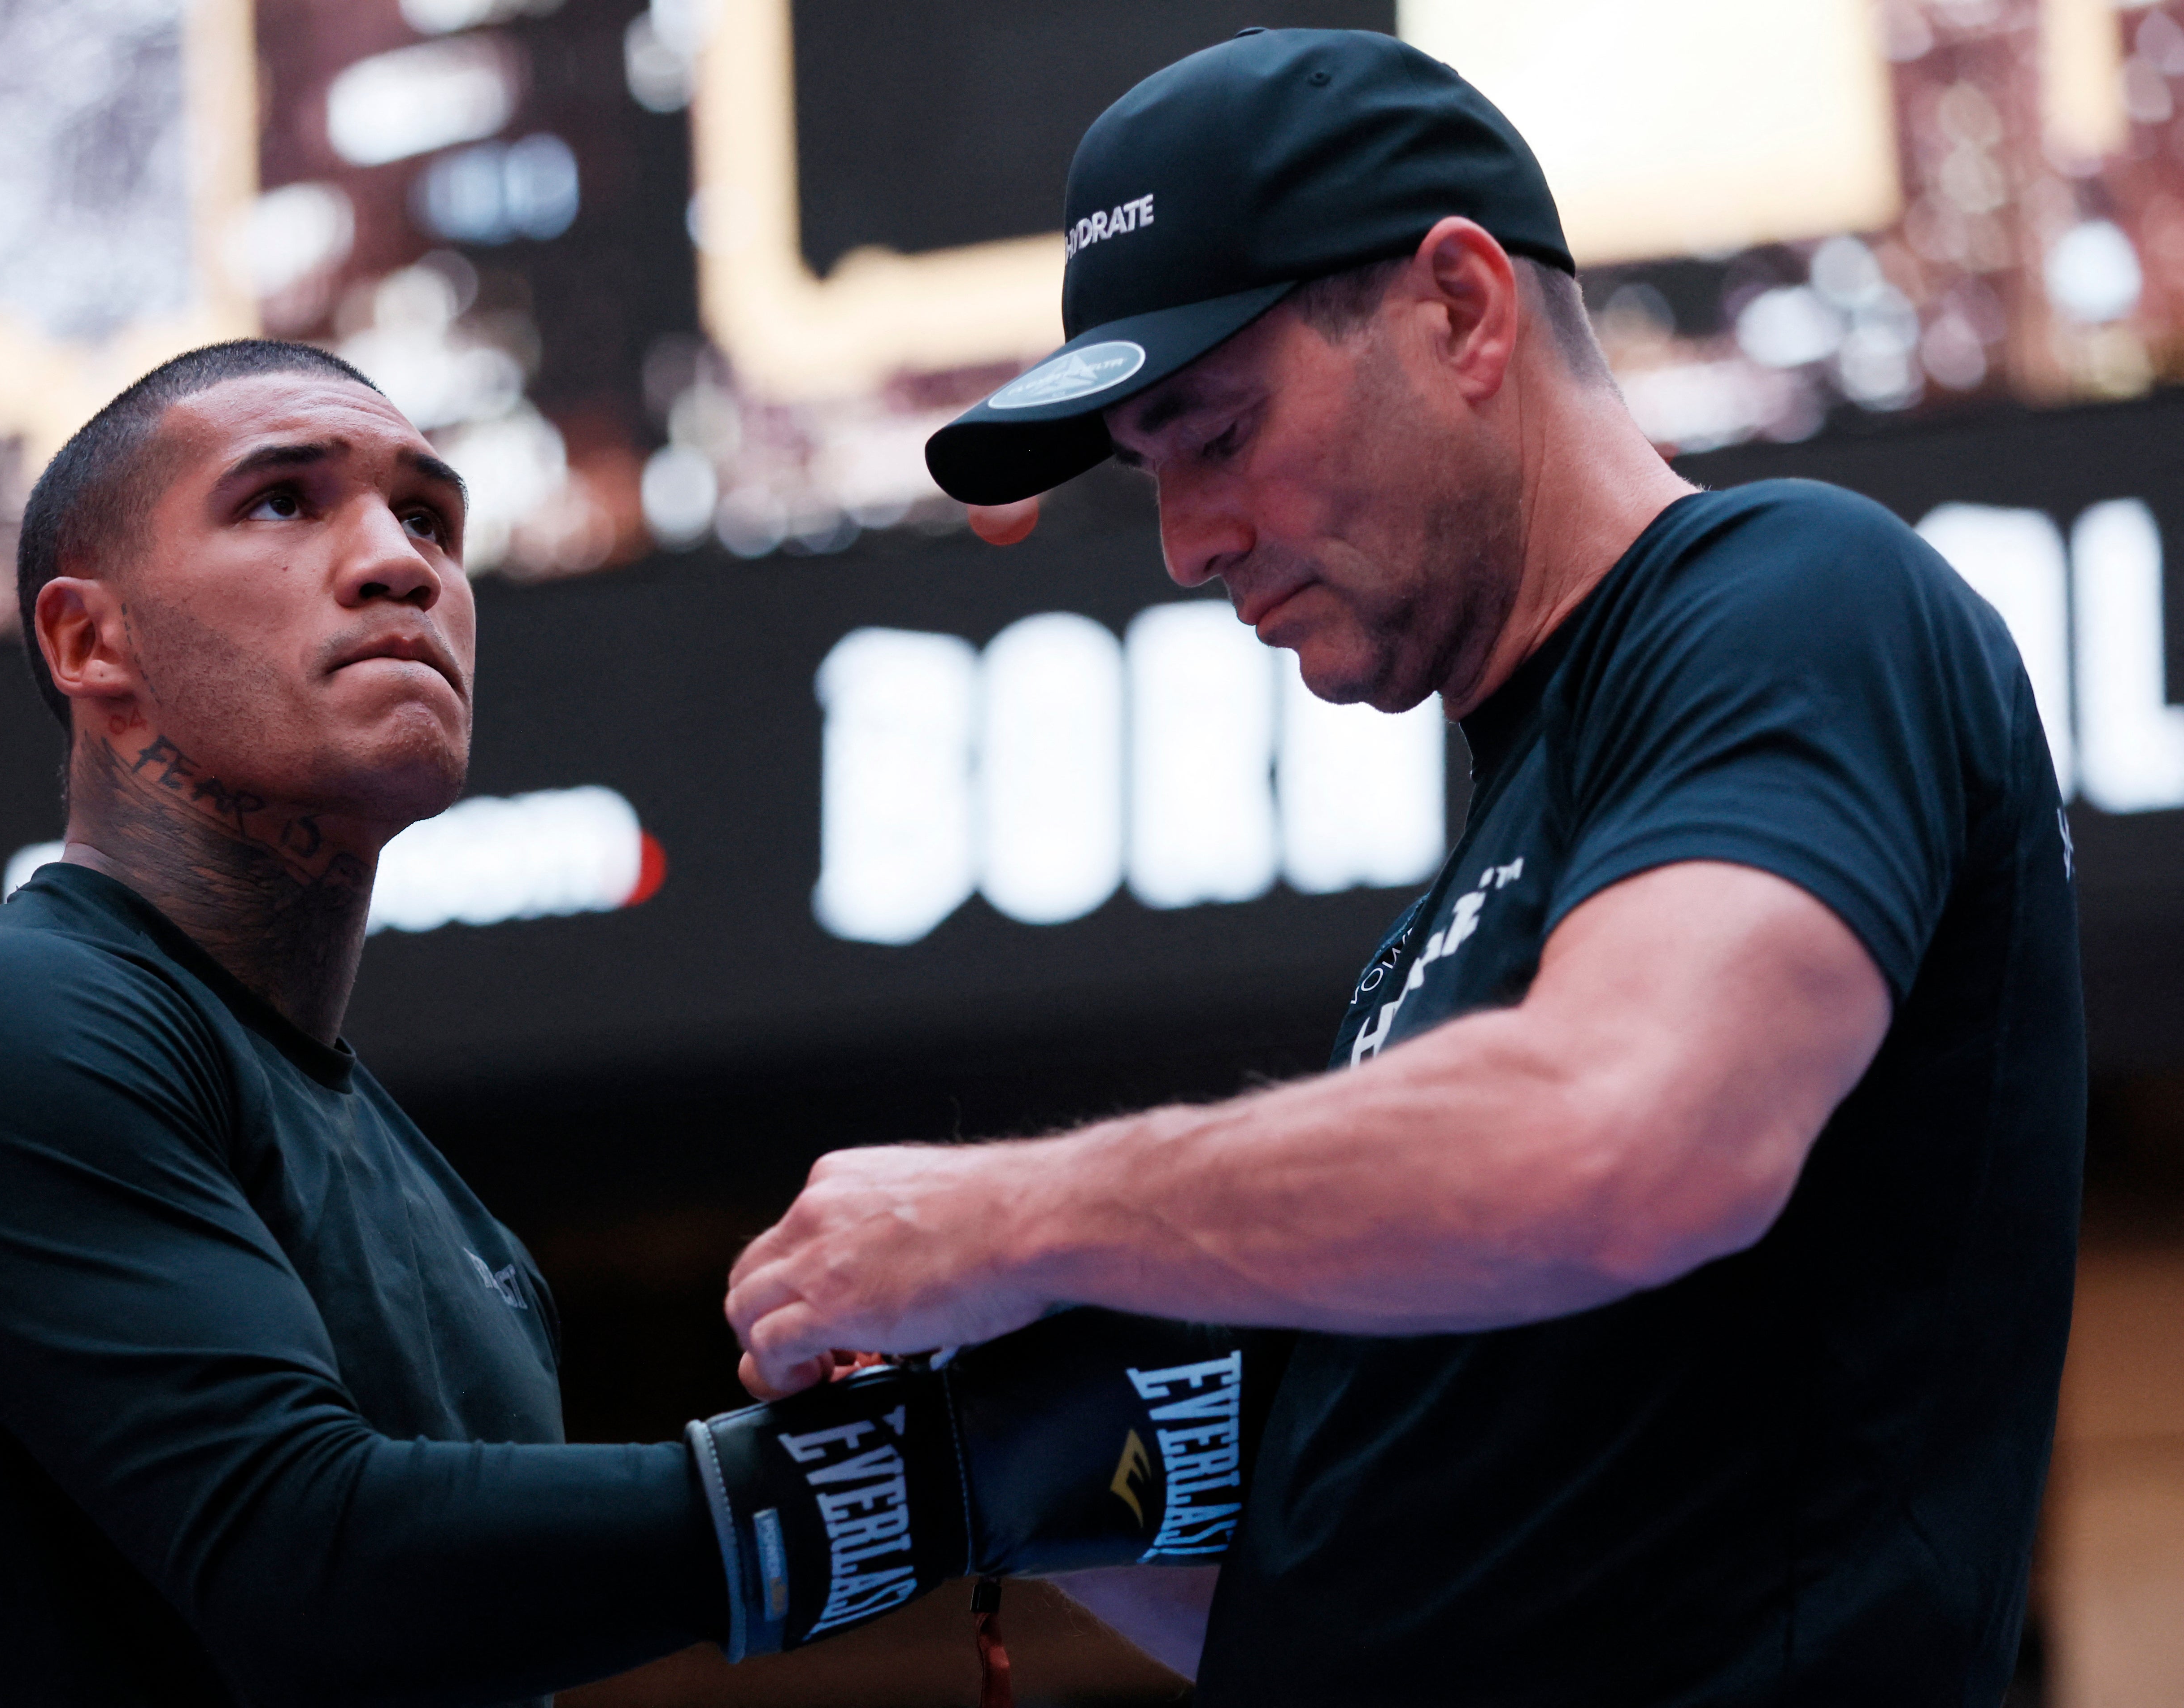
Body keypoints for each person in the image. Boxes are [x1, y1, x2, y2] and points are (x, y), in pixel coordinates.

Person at [725, 29, 2084, 1705]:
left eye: (1215, 433)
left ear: (1461, 309)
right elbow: (1359, 1608)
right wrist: (974, 1463)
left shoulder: (1799, 595)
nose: (1186, 543)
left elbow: (1633, 1139)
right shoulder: (1462, 913)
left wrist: (1003, 1221)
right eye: (1153, 472)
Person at [0, 342, 733, 1708]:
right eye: (282, 502)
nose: (402, 563)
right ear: (92, 641)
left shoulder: (452, 1218)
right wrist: (912, 1475)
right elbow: (318, 1573)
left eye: (431, 517)